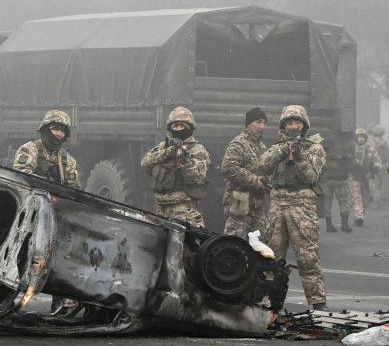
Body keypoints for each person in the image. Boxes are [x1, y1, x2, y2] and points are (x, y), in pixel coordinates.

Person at [258, 105, 328, 311]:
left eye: (297, 122)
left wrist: (299, 157)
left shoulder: (314, 148)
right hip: (278, 204)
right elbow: (262, 166)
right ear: (283, 125)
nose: (293, 126)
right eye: (289, 122)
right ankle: (270, 301)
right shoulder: (276, 147)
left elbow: (311, 176)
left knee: (307, 256)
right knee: (271, 256)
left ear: (304, 125)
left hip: (302, 205)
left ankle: (318, 302)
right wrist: (281, 151)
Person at [13, 109, 80, 312]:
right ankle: (7, 298)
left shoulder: (67, 161)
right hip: (28, 214)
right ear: (45, 129)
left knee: (57, 259)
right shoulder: (29, 150)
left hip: (54, 216)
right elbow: (22, 176)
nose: (58, 134)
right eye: (54, 129)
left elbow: (74, 190)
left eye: (62, 131)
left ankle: (59, 303)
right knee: (20, 257)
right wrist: (50, 183)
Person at [140, 106, 210, 228]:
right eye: (175, 126)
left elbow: (197, 178)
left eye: (181, 126)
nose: (178, 129)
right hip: (161, 210)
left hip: (183, 212)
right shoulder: (164, 147)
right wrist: (165, 154)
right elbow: (145, 163)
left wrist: (184, 161)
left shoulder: (197, 150)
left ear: (189, 128)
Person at [221, 107, 269, 238]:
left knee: (260, 245)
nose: (262, 126)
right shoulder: (238, 144)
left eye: (264, 123)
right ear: (248, 124)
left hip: (256, 205)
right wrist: (254, 180)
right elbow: (228, 167)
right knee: (235, 243)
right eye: (258, 122)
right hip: (239, 203)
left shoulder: (262, 147)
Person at [348, 128, 382, 226]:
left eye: (362, 137)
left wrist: (376, 167)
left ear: (365, 138)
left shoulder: (370, 149)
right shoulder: (351, 149)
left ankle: (361, 213)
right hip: (354, 176)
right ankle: (359, 216)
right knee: (356, 196)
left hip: (366, 177)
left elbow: (377, 160)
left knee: (365, 197)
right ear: (356, 138)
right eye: (359, 136)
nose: (361, 139)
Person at [321, 139, 354, 233]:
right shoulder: (345, 145)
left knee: (328, 203)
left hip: (330, 179)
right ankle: (343, 225)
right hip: (339, 179)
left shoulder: (324, 144)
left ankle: (330, 225)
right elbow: (351, 163)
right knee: (344, 202)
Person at [369, 125, 389, 206]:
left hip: (375, 166)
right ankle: (384, 198)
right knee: (384, 183)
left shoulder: (372, 143)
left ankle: (377, 200)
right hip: (384, 166)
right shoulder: (385, 142)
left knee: (375, 184)